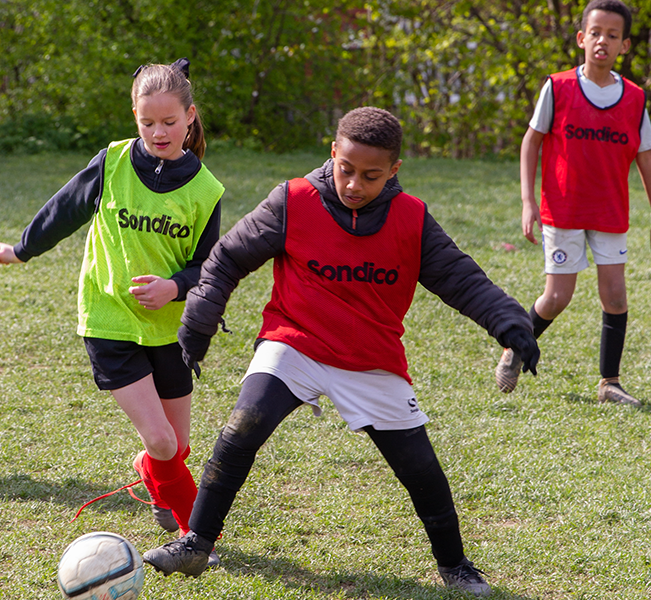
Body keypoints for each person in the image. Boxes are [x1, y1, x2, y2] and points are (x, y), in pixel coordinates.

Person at [142, 107, 539, 597]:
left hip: (371, 359)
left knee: (421, 471)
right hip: (294, 342)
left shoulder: (411, 219)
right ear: (333, 153)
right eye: (346, 169)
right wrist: (198, 323)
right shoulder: (293, 199)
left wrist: (510, 324)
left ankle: (456, 567)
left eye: (371, 175)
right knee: (243, 425)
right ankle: (196, 542)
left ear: (394, 170)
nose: (353, 184)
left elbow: (462, 279)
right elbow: (226, 258)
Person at [0, 59, 223, 564]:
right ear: (134, 117)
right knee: (160, 440)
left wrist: (174, 286)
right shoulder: (112, 163)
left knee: (172, 450)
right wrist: (22, 249)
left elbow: (209, 266)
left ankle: (152, 472)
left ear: (191, 117)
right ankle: (199, 538)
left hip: (170, 331)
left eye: (169, 122)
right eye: (147, 122)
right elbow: (64, 209)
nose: (158, 132)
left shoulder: (206, 190)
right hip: (108, 320)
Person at [495, 0, 651, 405]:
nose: (602, 42)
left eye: (612, 36)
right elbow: (531, 142)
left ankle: (609, 383)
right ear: (581, 38)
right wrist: (527, 202)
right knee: (557, 297)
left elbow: (647, 159)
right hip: (563, 210)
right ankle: (515, 348)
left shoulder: (634, 99)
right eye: (595, 33)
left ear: (624, 45)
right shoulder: (557, 87)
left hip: (610, 213)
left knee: (615, 296)